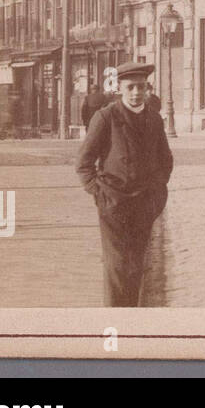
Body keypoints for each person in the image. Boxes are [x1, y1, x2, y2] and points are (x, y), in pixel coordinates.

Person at [75, 63, 173, 307]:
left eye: (141, 87)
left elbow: (165, 160)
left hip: (144, 204)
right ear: (120, 88)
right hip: (114, 204)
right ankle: (116, 323)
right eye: (130, 87)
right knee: (117, 267)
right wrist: (101, 194)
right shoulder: (106, 117)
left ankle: (132, 321)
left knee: (137, 265)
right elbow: (84, 164)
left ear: (147, 89)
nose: (136, 93)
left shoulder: (154, 119)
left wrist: (157, 195)